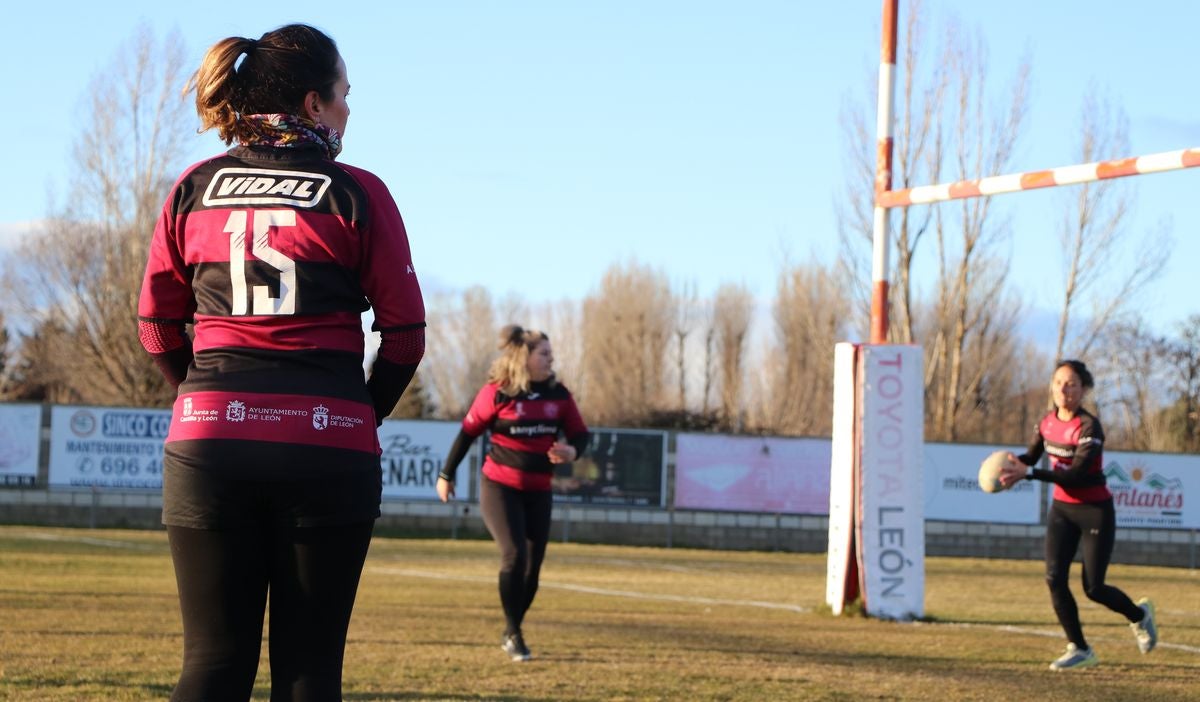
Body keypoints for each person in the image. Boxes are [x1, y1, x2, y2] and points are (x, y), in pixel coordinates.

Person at [137, 24, 425, 701]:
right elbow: (405, 335)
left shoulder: (193, 187)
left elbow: (155, 325)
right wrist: (356, 413)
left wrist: (202, 398)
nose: (350, 109)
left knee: (211, 664)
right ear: (312, 105)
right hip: (326, 443)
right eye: (344, 95)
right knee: (308, 671)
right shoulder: (358, 192)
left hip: (210, 441)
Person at [436, 325, 589, 661]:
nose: (551, 358)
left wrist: (572, 452)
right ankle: (514, 631)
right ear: (525, 356)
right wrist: (446, 474)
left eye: (550, 353)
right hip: (499, 487)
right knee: (514, 556)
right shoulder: (498, 392)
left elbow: (580, 435)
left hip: (539, 490)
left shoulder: (559, 395)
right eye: (544, 353)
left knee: (533, 568)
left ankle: (511, 629)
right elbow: (467, 434)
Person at [999, 359, 1157, 672]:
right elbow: (1031, 456)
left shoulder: (1089, 427)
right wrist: (1006, 464)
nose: (1064, 389)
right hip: (1062, 511)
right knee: (1054, 579)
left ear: (1083, 389)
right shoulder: (1047, 422)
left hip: (1095, 511)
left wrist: (1028, 474)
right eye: (1058, 382)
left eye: (1071, 384)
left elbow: (1078, 475)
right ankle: (1080, 648)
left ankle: (1140, 616)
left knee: (1094, 588)